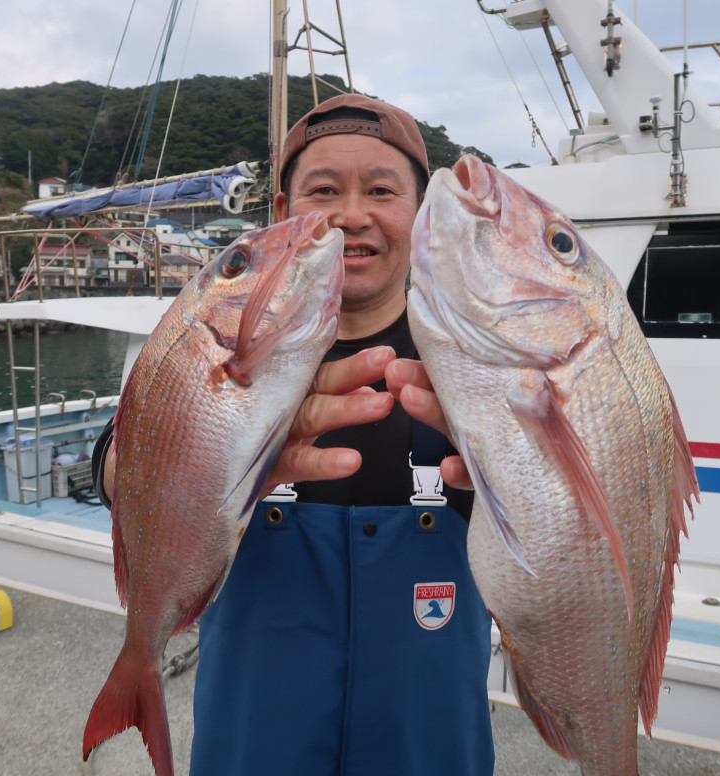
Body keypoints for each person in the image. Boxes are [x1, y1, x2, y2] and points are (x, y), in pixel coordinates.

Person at [93, 93, 494, 776]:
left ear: (421, 211)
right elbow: (113, 461)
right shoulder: (215, 342)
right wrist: (208, 463)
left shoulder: (473, 360)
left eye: (381, 191)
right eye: (324, 190)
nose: (352, 215)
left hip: (431, 745)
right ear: (284, 210)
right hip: (252, 743)